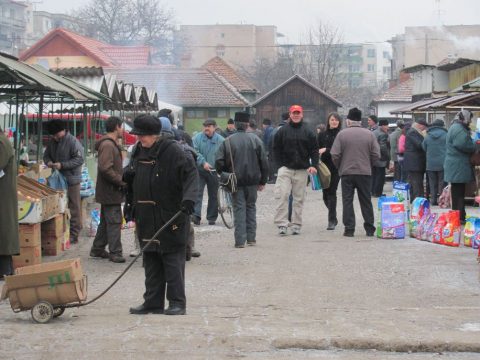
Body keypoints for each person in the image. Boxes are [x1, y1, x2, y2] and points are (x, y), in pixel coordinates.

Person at [125, 114, 198, 316]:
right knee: (150, 259)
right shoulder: (139, 151)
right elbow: (132, 179)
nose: (140, 139)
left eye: (143, 136)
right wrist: (130, 206)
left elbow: (191, 174)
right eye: (138, 135)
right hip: (146, 215)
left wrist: (189, 200)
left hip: (171, 214)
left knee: (172, 260)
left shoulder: (174, 150)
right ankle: (152, 302)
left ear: (155, 135)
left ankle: (177, 303)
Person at [215, 111, 269, 248]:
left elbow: (219, 163)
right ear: (247, 125)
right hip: (253, 181)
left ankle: (240, 241)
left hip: (235, 181)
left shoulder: (227, 141)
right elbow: (264, 162)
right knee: (251, 207)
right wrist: (263, 181)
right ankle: (251, 239)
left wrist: (225, 174)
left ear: (234, 124)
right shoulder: (256, 140)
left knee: (239, 209)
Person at [331, 107, 380, 237]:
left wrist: (340, 166)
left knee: (347, 201)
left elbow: (335, 154)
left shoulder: (341, 134)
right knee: (366, 200)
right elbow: (376, 154)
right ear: (360, 120)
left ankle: (349, 229)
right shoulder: (369, 134)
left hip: (346, 172)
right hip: (365, 172)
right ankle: (369, 228)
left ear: (348, 121)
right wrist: (368, 164)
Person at [272, 105, 318, 235]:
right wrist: (279, 165)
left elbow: (314, 150)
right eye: (294, 113)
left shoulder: (308, 131)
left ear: (302, 114)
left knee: (299, 198)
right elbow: (275, 149)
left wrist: (314, 165)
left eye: (298, 113)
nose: (296, 115)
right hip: (285, 168)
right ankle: (282, 223)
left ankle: (296, 224)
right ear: (290, 115)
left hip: (302, 169)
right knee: (282, 195)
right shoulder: (282, 131)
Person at [159, 117, 201, 259]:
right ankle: (187, 249)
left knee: (182, 222)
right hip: (179, 193)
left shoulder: (178, 149)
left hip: (178, 193)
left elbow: (190, 175)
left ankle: (186, 249)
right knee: (184, 222)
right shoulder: (183, 146)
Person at [89, 117, 127, 263]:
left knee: (106, 221)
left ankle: (97, 249)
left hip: (109, 190)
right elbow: (105, 168)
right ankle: (115, 252)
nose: (122, 130)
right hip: (110, 190)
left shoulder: (109, 144)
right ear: (117, 127)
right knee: (114, 221)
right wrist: (120, 181)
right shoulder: (108, 145)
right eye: (121, 127)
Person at [43, 119, 84, 244]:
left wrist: (63, 165)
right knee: (58, 205)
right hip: (57, 179)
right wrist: (48, 162)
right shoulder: (52, 142)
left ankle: (74, 233)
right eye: (53, 135)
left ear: (63, 130)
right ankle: (60, 232)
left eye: (57, 134)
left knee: (74, 206)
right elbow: (46, 155)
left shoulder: (72, 141)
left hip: (72, 179)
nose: (55, 137)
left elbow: (79, 159)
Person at [444, 110, 476, 224]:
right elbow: (463, 145)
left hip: (456, 164)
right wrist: (474, 145)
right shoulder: (458, 129)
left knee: (458, 193)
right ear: (465, 118)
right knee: (458, 193)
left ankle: (458, 216)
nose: (470, 121)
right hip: (458, 165)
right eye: (470, 119)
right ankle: (459, 217)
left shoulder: (455, 127)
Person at [192, 119, 225, 225]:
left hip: (214, 171)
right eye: (205, 126)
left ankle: (212, 217)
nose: (206, 128)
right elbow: (195, 152)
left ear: (214, 127)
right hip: (200, 170)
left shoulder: (221, 140)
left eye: (209, 126)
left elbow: (224, 155)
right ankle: (196, 216)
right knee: (197, 193)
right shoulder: (197, 138)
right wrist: (203, 162)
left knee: (214, 195)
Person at [317, 112, 342, 230]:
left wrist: (326, 149)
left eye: (336, 120)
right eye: (332, 120)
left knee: (332, 192)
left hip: (336, 167)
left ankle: (331, 220)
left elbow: (341, 150)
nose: (334, 122)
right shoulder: (322, 135)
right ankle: (334, 215)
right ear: (328, 121)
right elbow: (315, 149)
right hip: (323, 167)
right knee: (325, 195)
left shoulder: (341, 134)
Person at [0, 126, 19, 279]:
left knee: (4, 232)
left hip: (3, 195)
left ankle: (5, 270)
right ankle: (6, 269)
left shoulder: (1, 143)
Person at [422, 119, 447, 206]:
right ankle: (442, 200)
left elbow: (424, 147)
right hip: (443, 163)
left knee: (432, 183)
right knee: (442, 182)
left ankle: (433, 201)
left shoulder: (428, 136)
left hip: (430, 164)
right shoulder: (446, 135)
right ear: (442, 126)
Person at [404, 118, 427, 201]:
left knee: (416, 181)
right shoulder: (413, 132)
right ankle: (417, 199)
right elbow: (419, 144)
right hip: (414, 162)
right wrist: (425, 138)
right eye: (424, 127)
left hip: (415, 162)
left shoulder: (414, 132)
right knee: (416, 182)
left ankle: (416, 198)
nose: (424, 129)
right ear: (420, 125)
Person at [371, 119, 390, 197]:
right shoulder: (382, 134)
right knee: (380, 177)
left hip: (373, 158)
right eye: (386, 126)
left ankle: (372, 192)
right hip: (381, 159)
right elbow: (383, 148)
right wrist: (388, 157)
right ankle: (378, 193)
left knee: (374, 176)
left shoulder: (373, 132)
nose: (387, 128)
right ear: (382, 126)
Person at [262, 118, 275, 183]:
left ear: (265, 124)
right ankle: (271, 178)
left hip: (269, 150)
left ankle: (271, 178)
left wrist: (266, 151)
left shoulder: (268, 130)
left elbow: (268, 141)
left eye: (263, 124)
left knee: (270, 164)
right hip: (271, 149)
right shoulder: (271, 129)